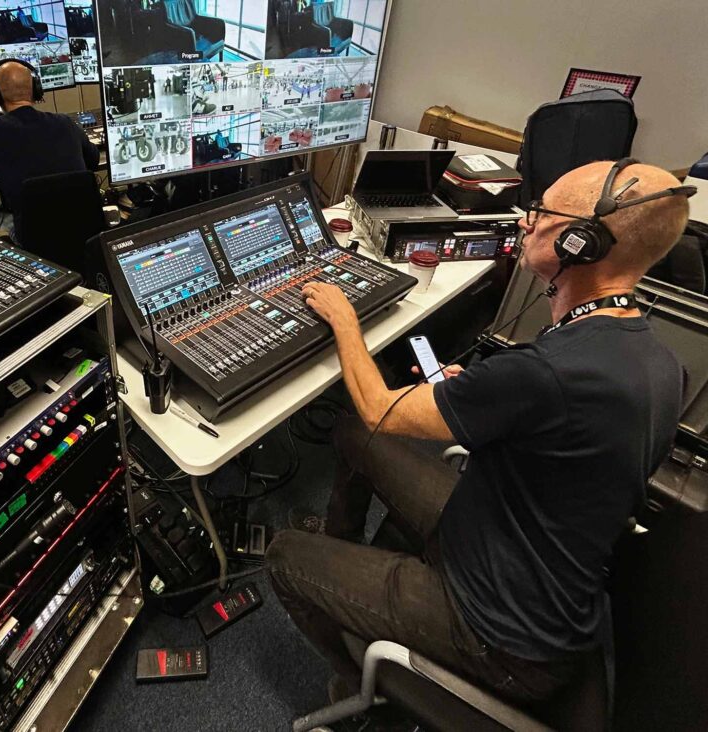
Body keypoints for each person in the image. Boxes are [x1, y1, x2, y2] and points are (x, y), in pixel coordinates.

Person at [266, 160, 694, 707]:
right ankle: (343, 554)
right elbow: (556, 433)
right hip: (503, 541)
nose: (525, 221)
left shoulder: (546, 373)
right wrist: (484, 401)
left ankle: (358, 685)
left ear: (581, 243)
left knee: (284, 555)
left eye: (542, 211)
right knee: (352, 438)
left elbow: (378, 408)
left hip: (500, 634)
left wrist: (344, 319)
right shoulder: (655, 358)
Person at [0, 60, 100, 241]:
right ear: (35, 90)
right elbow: (93, 161)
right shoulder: (66, 123)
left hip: (34, 240)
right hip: (85, 232)